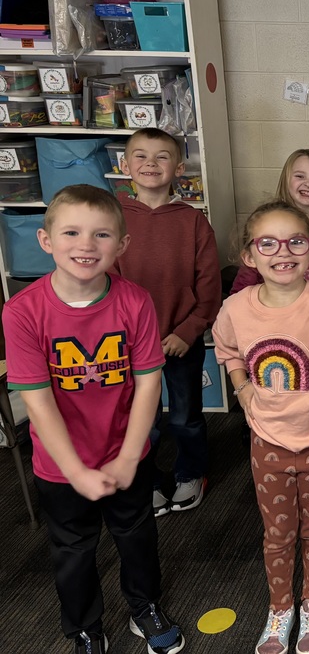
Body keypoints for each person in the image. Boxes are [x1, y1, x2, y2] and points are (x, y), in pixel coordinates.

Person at [2, 184, 184, 654]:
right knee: (72, 550)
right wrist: (75, 470)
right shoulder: (23, 312)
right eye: (72, 232)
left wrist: (127, 458)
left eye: (102, 234)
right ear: (46, 241)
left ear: (121, 246)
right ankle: (84, 627)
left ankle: (144, 607)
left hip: (127, 453)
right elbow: (37, 400)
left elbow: (148, 383)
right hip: (61, 465)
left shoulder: (134, 301)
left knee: (137, 536)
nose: (86, 245)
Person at [213, 201, 309, 654]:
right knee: (278, 534)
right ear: (249, 255)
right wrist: (242, 389)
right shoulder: (236, 308)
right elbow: (227, 350)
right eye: (268, 243)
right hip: (268, 440)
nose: (283, 252)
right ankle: (280, 607)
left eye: (295, 241)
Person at [112, 128, 221, 516]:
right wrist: (125, 340)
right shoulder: (114, 218)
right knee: (142, 420)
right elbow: (105, 288)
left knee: (185, 416)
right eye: (140, 156)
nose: (150, 164)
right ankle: (149, 479)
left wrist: (187, 332)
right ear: (124, 166)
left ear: (178, 167)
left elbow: (209, 290)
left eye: (161, 157)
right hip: (128, 349)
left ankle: (191, 472)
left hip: (180, 342)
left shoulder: (193, 223)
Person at [231, 148, 309, 293]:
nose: (308, 184)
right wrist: (238, 301)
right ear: (286, 180)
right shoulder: (268, 221)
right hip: (279, 305)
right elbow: (249, 273)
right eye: (300, 176)